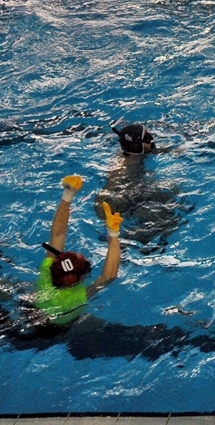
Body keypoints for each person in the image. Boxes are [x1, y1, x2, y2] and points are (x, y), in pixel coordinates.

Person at [35, 175, 124, 327]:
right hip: (55, 331)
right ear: (77, 278)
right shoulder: (76, 297)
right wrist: (114, 234)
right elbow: (109, 276)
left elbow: (58, 235)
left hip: (31, 313)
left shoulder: (46, 274)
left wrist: (68, 195)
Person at [93, 123, 189, 254]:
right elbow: (103, 201)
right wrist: (109, 222)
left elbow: (167, 149)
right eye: (148, 138)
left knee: (172, 197)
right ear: (137, 147)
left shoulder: (137, 153)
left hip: (137, 191)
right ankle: (128, 246)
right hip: (123, 201)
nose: (152, 140)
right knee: (167, 213)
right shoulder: (121, 170)